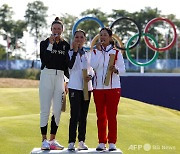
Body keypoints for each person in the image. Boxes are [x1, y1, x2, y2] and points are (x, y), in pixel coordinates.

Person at [90, 27, 125, 151]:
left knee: (112, 115)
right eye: (101, 35)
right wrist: (99, 52)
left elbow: (123, 70)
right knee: (100, 116)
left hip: (113, 88)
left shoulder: (116, 52)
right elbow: (94, 65)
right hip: (98, 88)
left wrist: (116, 70)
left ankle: (112, 142)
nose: (102, 37)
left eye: (105, 35)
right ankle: (101, 141)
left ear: (110, 37)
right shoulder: (95, 52)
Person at [39, 17, 70, 150]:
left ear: (62, 30)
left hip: (60, 78)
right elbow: (45, 60)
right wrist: (51, 45)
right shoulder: (44, 43)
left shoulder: (65, 45)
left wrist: (67, 81)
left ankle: (52, 140)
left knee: (57, 110)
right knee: (45, 109)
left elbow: (66, 65)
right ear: (51, 29)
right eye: (54, 28)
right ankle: (44, 140)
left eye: (59, 28)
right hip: (47, 75)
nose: (56, 30)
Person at [67, 29, 94, 151]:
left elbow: (92, 70)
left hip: (86, 88)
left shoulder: (88, 54)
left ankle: (81, 141)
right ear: (74, 39)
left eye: (81, 37)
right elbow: (70, 66)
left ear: (84, 39)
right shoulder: (69, 53)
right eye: (76, 37)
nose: (79, 39)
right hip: (74, 87)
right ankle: (71, 141)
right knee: (74, 115)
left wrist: (90, 76)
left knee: (83, 115)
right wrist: (75, 51)